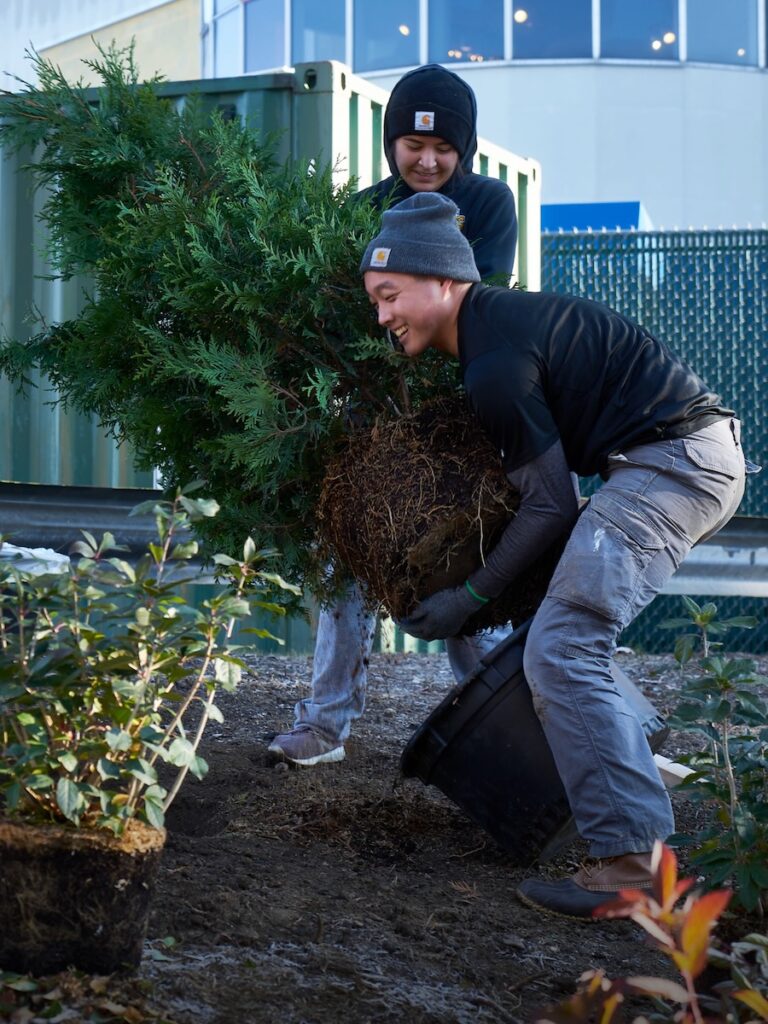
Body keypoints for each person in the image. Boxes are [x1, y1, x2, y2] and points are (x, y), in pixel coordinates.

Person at [359, 191, 753, 919]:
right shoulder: (494, 331)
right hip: (678, 458)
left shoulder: (494, 363)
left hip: (674, 465)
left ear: (443, 281)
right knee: (564, 634)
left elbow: (550, 503)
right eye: (375, 301)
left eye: (390, 296)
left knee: (565, 647)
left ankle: (633, 862)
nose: (382, 317)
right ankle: (624, 779)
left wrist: (468, 600)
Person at [268, 64, 518, 767]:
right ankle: (323, 724)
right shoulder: (363, 206)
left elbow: (471, 302)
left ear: (463, 149)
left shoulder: (491, 201)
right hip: (374, 417)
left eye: (443, 148)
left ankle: (514, 723)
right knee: (346, 550)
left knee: (468, 559)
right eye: (413, 144)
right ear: (391, 143)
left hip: (460, 416)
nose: (428, 159)